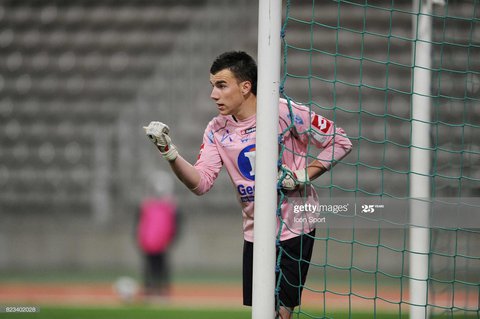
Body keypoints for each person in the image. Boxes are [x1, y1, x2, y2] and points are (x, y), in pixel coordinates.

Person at [143, 51, 352, 318]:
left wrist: (302, 175)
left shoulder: (284, 111)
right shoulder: (216, 128)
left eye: (221, 85)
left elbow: (340, 142)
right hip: (255, 232)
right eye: (212, 87)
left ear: (245, 87)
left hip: (295, 227)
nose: (213, 95)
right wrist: (169, 153)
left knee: (280, 314)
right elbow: (201, 183)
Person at [137, 171, 177, 299]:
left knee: (160, 266)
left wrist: (169, 239)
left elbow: (171, 226)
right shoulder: (148, 206)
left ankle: (160, 288)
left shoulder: (167, 207)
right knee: (151, 266)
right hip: (151, 242)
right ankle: (151, 288)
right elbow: (142, 225)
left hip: (159, 242)